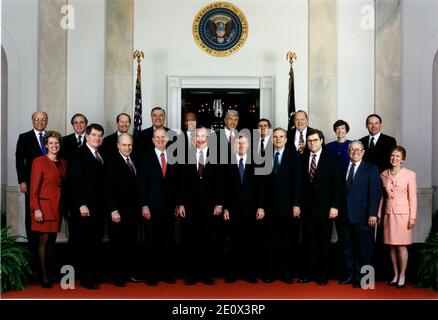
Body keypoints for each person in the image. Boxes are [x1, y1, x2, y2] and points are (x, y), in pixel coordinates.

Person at [177, 126, 223, 285]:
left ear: (208, 138)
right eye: (198, 136)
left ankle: (206, 274)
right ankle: (192, 274)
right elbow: (181, 182)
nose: (200, 139)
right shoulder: (185, 156)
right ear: (193, 138)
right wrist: (181, 203)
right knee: (191, 240)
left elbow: (220, 183)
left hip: (210, 206)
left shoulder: (217, 156)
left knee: (208, 240)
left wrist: (219, 203)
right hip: (190, 206)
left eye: (203, 136)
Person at [300, 129, 342, 285]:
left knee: (324, 243)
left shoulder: (332, 158)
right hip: (307, 209)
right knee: (308, 243)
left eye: (315, 140)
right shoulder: (302, 157)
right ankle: (308, 274)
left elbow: (337, 185)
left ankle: (322, 276)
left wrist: (335, 206)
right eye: (309, 141)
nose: (312, 143)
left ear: (321, 141)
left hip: (326, 209)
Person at [138, 128, 179, 286]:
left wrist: (177, 203)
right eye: (157, 137)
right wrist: (144, 205)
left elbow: (177, 184)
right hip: (151, 208)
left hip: (169, 208)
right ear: (153, 140)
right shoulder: (145, 158)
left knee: (167, 241)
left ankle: (166, 273)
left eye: (163, 137)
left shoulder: (174, 157)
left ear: (168, 139)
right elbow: (141, 184)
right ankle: (151, 274)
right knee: (151, 242)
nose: (161, 140)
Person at [222, 134, 265, 283]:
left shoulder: (257, 162)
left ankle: (250, 273)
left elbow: (261, 187)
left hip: (251, 209)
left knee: (251, 242)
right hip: (233, 210)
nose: (241, 146)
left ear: (248, 145)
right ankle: (233, 272)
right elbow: (224, 188)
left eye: (244, 143)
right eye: (238, 143)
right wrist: (226, 208)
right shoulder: (227, 163)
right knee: (233, 242)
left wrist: (260, 206)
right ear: (234, 145)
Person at [339, 140, 382, 288]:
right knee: (348, 248)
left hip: (364, 217)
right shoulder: (343, 168)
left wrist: (372, 214)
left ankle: (364, 279)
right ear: (348, 151)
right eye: (352, 150)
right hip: (345, 216)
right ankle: (350, 276)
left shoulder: (371, 168)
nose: (355, 152)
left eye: (358, 150)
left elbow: (375, 193)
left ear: (363, 152)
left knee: (365, 250)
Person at [359, 114, 397, 279]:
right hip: (365, 192)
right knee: (367, 230)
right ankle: (367, 269)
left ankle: (383, 270)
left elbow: (392, 164)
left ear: (380, 124)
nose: (373, 126)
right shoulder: (361, 141)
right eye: (370, 123)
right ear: (366, 125)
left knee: (384, 231)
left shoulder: (390, 141)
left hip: (384, 189)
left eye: (376, 123)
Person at [69, 123, 106, 289]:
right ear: (87, 136)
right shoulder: (79, 154)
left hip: (98, 208)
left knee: (96, 241)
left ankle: (94, 274)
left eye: (100, 135)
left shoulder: (101, 154)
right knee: (86, 244)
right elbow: (75, 183)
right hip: (85, 209)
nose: (97, 138)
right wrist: (81, 204)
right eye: (94, 135)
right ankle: (86, 278)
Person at [263, 127, 302, 284]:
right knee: (270, 242)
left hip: (288, 206)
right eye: (275, 137)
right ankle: (270, 273)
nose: (278, 139)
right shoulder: (263, 156)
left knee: (287, 242)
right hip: (269, 207)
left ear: (286, 139)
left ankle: (287, 273)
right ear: (272, 139)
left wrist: (297, 204)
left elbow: (298, 182)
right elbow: (262, 184)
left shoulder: (295, 156)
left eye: (281, 137)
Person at [29, 131, 67, 288]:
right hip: (43, 208)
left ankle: (50, 273)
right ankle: (44, 276)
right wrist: (36, 209)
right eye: (51, 143)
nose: (54, 145)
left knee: (52, 241)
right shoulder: (39, 161)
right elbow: (33, 189)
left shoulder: (64, 162)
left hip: (57, 207)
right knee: (43, 241)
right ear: (45, 145)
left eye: (57, 142)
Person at [105, 133, 141, 287]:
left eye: (130, 145)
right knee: (117, 244)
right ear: (118, 145)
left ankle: (129, 273)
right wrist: (113, 210)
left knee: (131, 243)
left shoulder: (135, 160)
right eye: (124, 145)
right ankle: (117, 276)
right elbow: (108, 188)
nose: (128, 148)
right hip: (118, 212)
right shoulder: (111, 162)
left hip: (133, 212)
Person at [15, 111, 49, 275]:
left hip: (48, 187)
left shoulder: (52, 136)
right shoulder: (24, 137)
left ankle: (46, 263)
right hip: (32, 185)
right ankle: (33, 261)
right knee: (32, 220)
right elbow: (19, 159)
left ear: (47, 121)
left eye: (43, 119)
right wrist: (22, 180)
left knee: (46, 220)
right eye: (37, 119)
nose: (40, 122)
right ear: (32, 121)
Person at [378, 146, 417, 288]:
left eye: (398, 156)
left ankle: (402, 275)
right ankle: (395, 274)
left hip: (403, 215)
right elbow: (382, 197)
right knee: (391, 246)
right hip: (388, 213)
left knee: (401, 246)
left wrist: (412, 217)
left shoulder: (410, 174)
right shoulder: (383, 174)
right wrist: (378, 214)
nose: (394, 158)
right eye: (392, 155)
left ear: (403, 159)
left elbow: (412, 198)